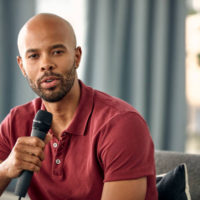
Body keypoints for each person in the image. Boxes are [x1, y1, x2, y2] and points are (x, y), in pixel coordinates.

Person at [0, 13, 158, 200]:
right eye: (34, 56)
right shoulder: (17, 121)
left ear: (77, 57)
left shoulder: (122, 124)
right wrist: (6, 169)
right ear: (22, 66)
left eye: (57, 52)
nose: (46, 64)